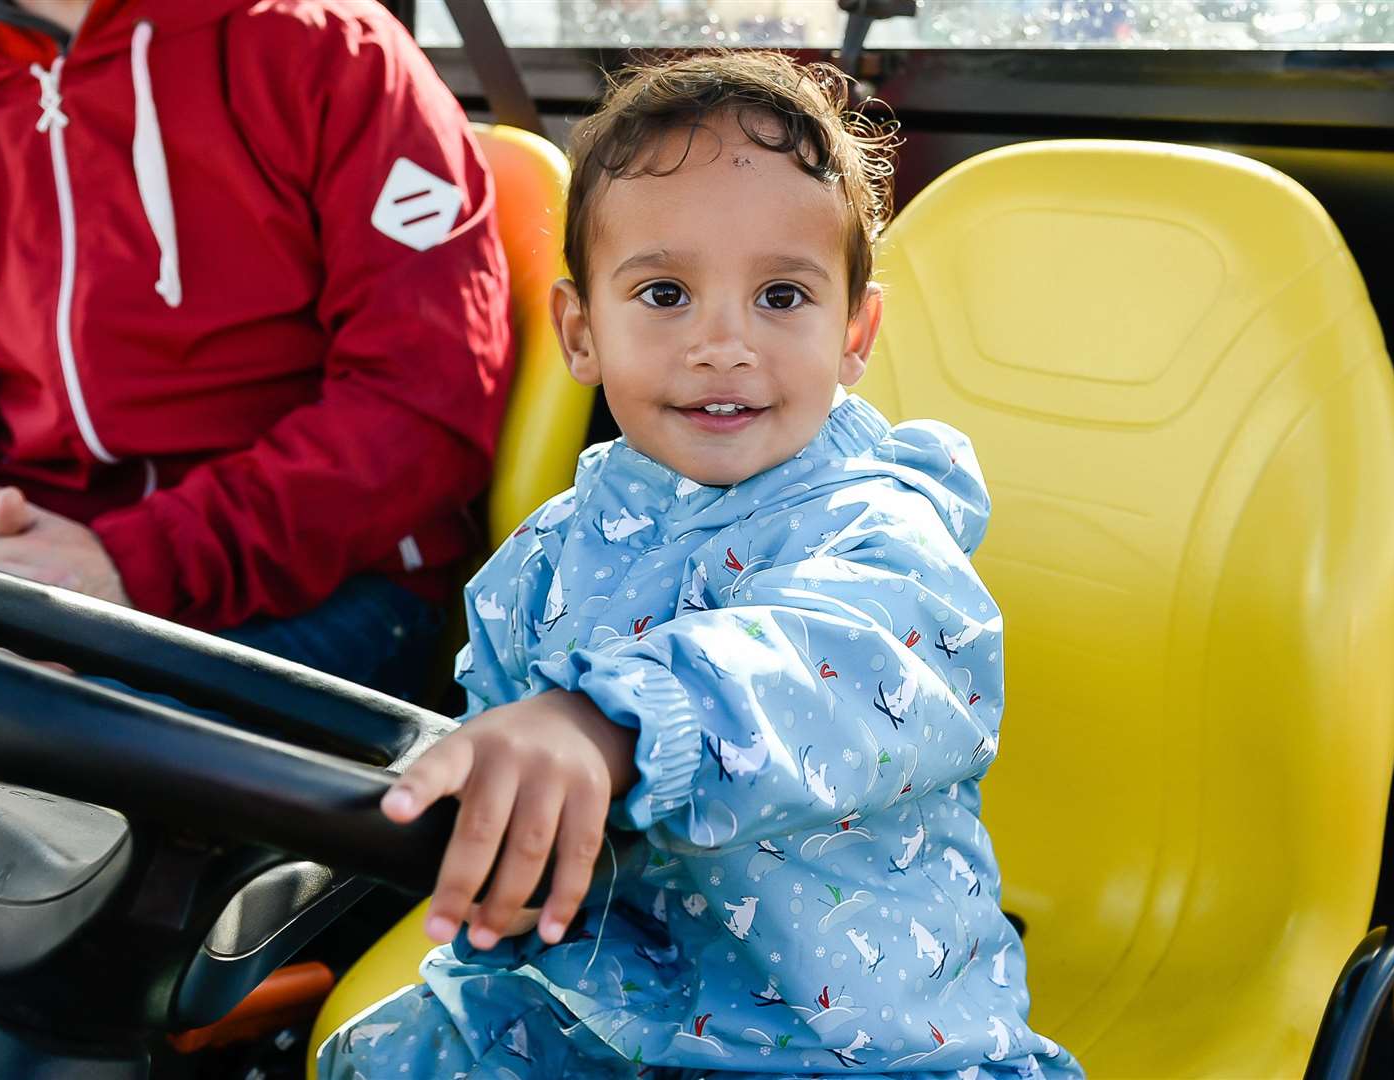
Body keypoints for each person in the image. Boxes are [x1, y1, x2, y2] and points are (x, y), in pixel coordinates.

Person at [318, 51, 1082, 1079]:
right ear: (581, 332)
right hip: (588, 1015)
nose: (722, 344)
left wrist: (610, 724)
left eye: (780, 296)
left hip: (851, 1048)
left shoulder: (887, 536)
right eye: (666, 293)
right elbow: (505, 783)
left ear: (854, 334)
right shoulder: (542, 559)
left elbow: (823, 665)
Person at [0, 0, 511, 698]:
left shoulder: (330, 46)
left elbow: (422, 406)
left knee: (23, 759)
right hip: (33, 561)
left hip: (326, 582)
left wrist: (130, 563)